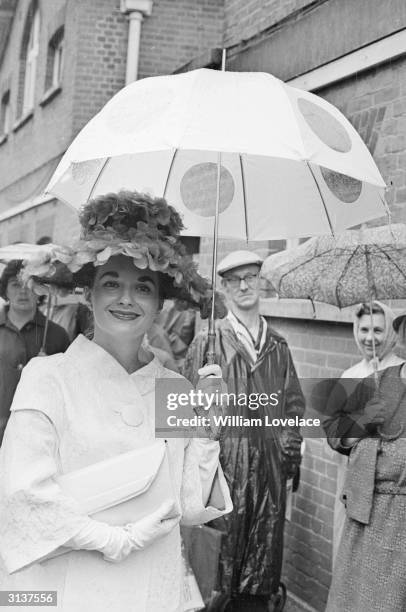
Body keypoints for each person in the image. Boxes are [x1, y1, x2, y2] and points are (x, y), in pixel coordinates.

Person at [0, 191, 232, 612]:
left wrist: (206, 432)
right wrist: (115, 540)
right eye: (112, 284)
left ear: (160, 303)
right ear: (89, 294)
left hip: (152, 589)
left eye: (142, 287)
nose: (126, 299)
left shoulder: (173, 388)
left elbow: (189, 505)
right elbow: (23, 497)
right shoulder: (48, 377)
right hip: (68, 588)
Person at [183, 250, 305, 612]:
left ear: (260, 281)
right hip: (222, 473)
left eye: (250, 276)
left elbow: (293, 408)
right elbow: (180, 412)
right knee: (216, 573)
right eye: (234, 280)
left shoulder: (278, 345)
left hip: (267, 477)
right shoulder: (208, 344)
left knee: (257, 576)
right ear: (224, 287)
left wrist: (285, 460)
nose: (244, 285)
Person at [324, 307, 406, 612]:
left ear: (390, 336)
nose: (370, 337)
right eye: (364, 329)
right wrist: (364, 420)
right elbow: (334, 433)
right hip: (362, 501)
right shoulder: (362, 378)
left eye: (378, 330)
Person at [0, 260, 70, 444]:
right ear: (5, 291)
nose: (23, 291)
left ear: (40, 292)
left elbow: (68, 389)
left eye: (29, 285)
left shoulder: (57, 335)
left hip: (38, 435)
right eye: (15, 285)